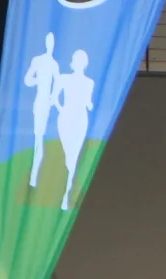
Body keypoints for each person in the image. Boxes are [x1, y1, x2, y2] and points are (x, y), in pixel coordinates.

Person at [54, 49, 94, 212]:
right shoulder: (64, 78)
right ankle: (64, 189)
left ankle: (67, 195)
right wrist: (62, 109)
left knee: (74, 155)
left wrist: (90, 105)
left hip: (81, 119)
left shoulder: (89, 82)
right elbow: (54, 97)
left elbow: (88, 103)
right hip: (66, 118)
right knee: (67, 155)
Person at [23, 33, 59, 189]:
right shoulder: (38, 60)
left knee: (42, 138)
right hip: (39, 102)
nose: (50, 44)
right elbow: (27, 79)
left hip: (47, 104)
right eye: (49, 41)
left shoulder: (54, 64)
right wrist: (39, 80)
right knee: (38, 137)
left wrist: (53, 98)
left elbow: (58, 83)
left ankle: (35, 176)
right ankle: (33, 175)